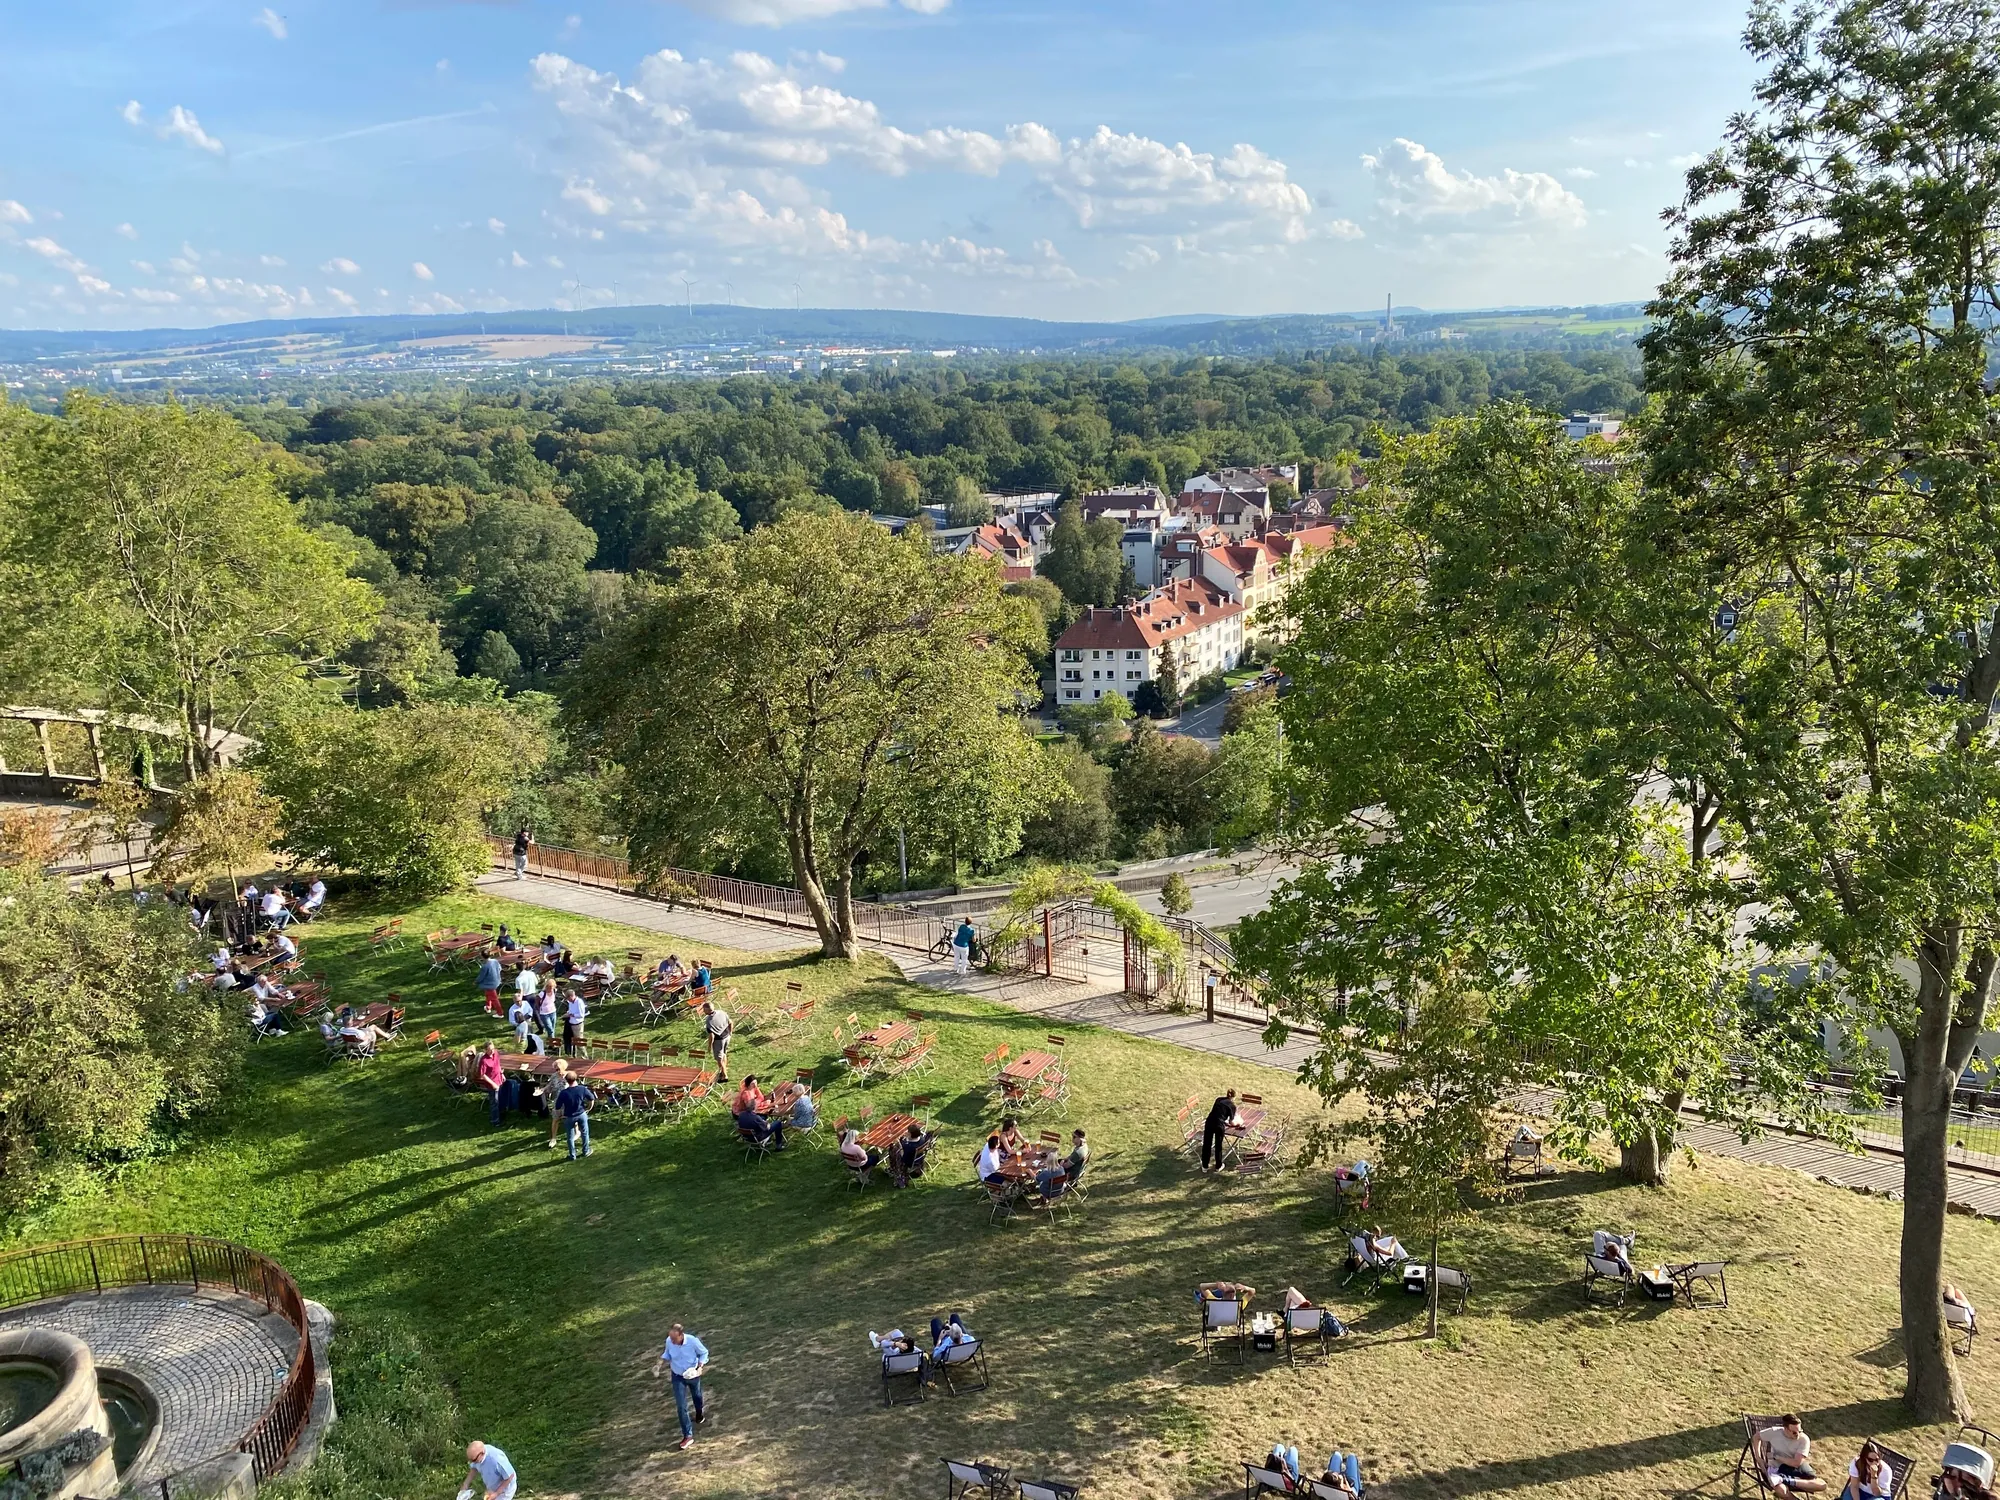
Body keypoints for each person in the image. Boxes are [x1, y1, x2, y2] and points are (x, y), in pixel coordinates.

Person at [652, 1324, 708, 1451]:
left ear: (681, 1335)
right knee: (681, 1406)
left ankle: (699, 1415)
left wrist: (700, 1368)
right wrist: (659, 1364)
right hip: (677, 1376)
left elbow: (704, 1353)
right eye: (670, 1338)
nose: (671, 1341)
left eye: (674, 1338)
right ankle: (688, 1436)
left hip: (692, 1374)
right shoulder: (669, 1341)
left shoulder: (693, 1341)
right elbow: (667, 1353)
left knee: (697, 1396)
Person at [1757, 1414, 1827, 1497]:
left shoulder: (1804, 1439)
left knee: (1822, 1485)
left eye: (1800, 1431)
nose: (1797, 1434)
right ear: (1785, 1429)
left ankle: (1785, 1480)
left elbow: (1796, 1463)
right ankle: (1785, 1480)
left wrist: (1777, 1457)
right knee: (1782, 1490)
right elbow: (1756, 1437)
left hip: (1795, 1469)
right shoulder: (1774, 1432)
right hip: (1777, 1469)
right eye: (1794, 1432)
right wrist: (1758, 1458)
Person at [555, 1071, 594, 1160]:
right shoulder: (582, 1089)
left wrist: (561, 1115)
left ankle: (572, 1155)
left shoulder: (564, 1093)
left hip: (569, 1116)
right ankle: (586, 1151)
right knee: (585, 1133)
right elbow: (591, 1099)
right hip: (581, 1114)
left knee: (570, 1136)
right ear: (576, 1078)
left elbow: (557, 1106)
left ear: (566, 1080)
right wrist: (588, 1108)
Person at [1202, 1089, 1239, 1173]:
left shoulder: (1218, 1099)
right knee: (1218, 1146)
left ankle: (1205, 1166)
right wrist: (1237, 1124)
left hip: (1209, 1122)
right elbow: (1231, 1122)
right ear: (1233, 1097)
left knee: (1207, 1144)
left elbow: (1217, 1112)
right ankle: (1218, 1166)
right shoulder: (1232, 1106)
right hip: (1219, 1125)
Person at [702, 997, 733, 1081]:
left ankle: (724, 1076)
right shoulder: (721, 1012)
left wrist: (709, 1046)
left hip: (719, 1040)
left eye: (704, 1010)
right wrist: (730, 1033)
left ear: (708, 1010)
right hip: (727, 1036)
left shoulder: (709, 1020)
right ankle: (724, 1069)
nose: (703, 1011)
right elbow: (730, 1022)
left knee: (719, 1059)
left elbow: (712, 1036)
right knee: (724, 1054)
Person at [477, 1042, 506, 1125]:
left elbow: (498, 1064)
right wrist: (493, 1084)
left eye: (493, 1049)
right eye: (490, 1050)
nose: (492, 1051)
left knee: (500, 1100)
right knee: (494, 1103)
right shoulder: (484, 1061)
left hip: (499, 1080)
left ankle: (501, 1115)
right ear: (485, 1050)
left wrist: (502, 1074)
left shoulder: (495, 1054)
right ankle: (495, 1121)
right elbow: (482, 1075)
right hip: (492, 1084)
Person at [890, 1122, 927, 1187]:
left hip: (910, 1161)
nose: (906, 1132)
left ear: (910, 1134)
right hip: (918, 1159)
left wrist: (899, 1145)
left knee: (893, 1150)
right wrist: (906, 1139)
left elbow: (903, 1158)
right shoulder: (922, 1138)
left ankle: (895, 1170)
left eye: (908, 1132)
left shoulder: (908, 1146)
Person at [476, 953, 503, 1017]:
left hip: (490, 984)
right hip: (496, 981)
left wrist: (476, 982)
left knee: (494, 998)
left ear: (482, 957)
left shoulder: (485, 966)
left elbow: (481, 977)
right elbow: (500, 968)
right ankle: (488, 1007)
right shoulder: (495, 961)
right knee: (488, 994)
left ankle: (500, 1013)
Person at [563, 990, 588, 1057]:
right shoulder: (571, 1002)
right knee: (572, 1041)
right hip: (571, 1024)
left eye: (568, 998)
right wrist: (567, 1014)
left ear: (571, 996)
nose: (568, 1000)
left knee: (579, 1042)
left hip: (578, 1025)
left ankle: (585, 1056)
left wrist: (572, 1015)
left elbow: (581, 1015)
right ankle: (574, 1055)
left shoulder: (579, 1002)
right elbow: (571, 1010)